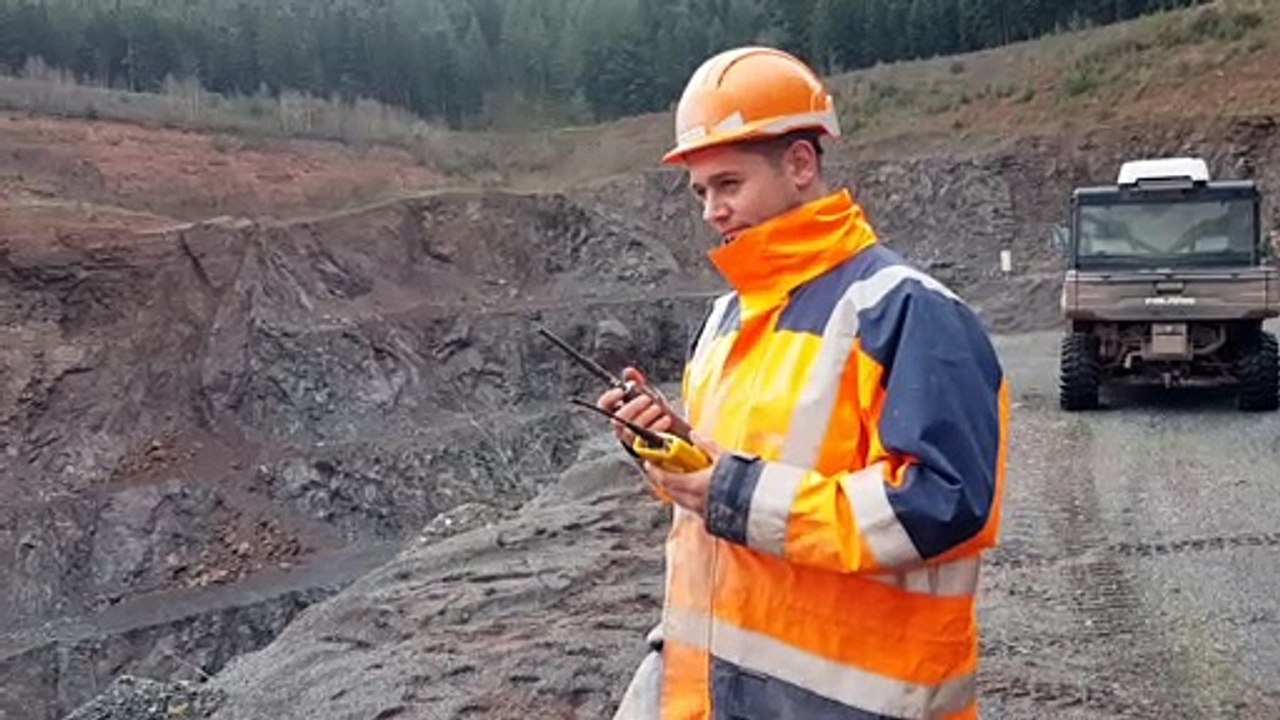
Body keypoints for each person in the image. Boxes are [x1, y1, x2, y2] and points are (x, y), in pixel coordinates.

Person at [599, 46, 1010, 720]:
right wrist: (671, 445)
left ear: (799, 164)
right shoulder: (728, 318)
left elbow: (943, 505)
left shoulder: (906, 313)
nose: (711, 211)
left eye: (728, 185)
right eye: (701, 192)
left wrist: (732, 491)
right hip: (718, 689)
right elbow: (724, 476)